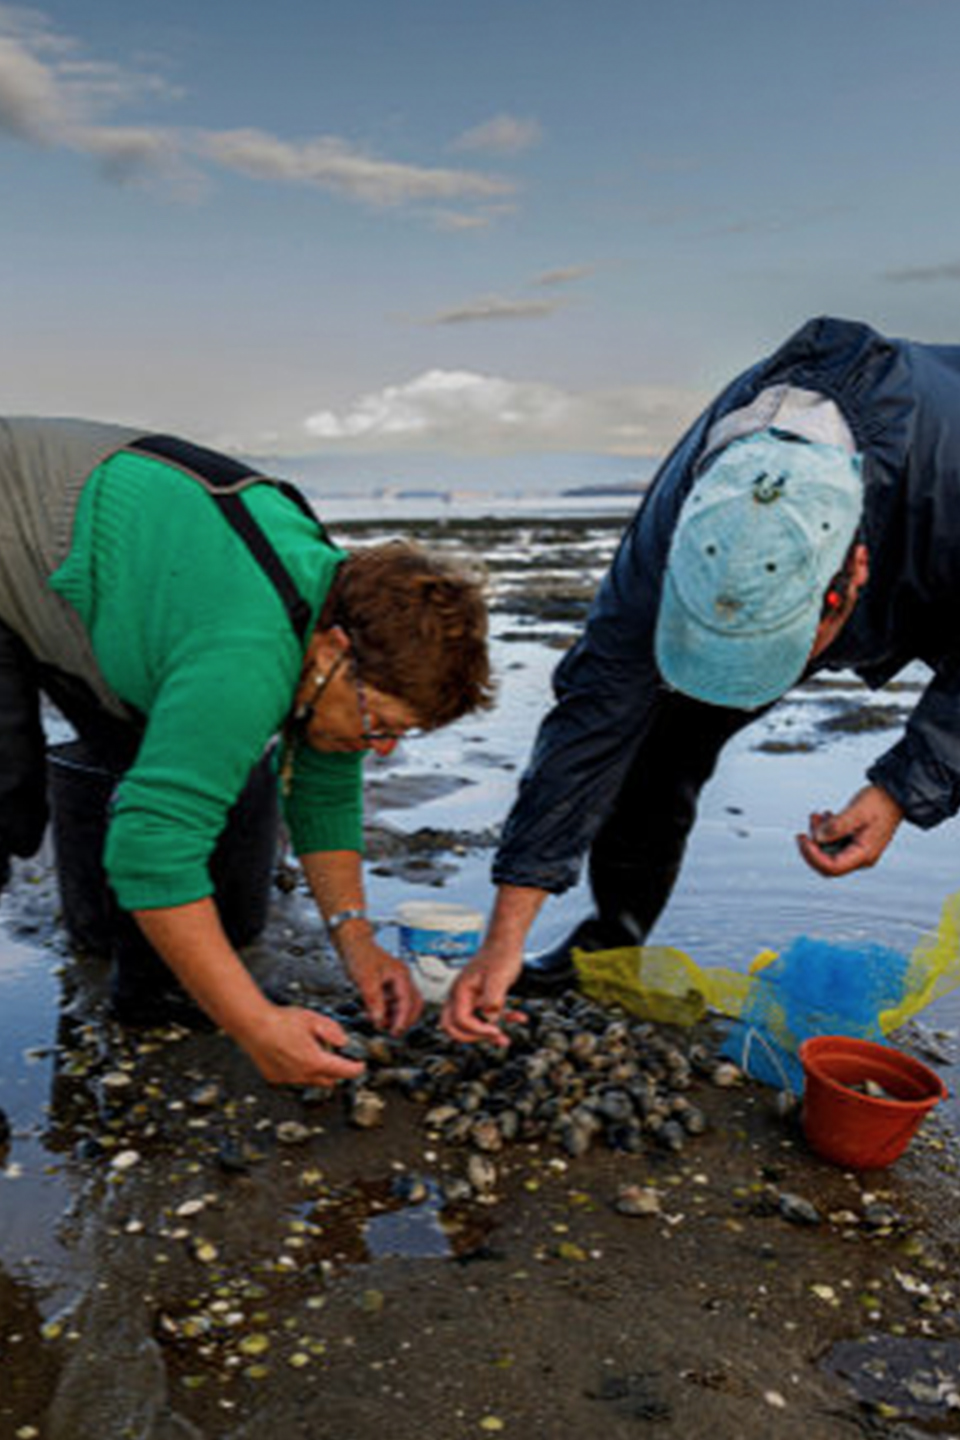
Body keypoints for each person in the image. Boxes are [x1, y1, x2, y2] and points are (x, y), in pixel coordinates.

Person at [443, 314, 960, 1046]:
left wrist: (901, 790)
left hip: (940, 521)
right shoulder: (678, 531)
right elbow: (592, 719)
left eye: (766, 653)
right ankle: (610, 946)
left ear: (852, 585)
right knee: (659, 743)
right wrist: (503, 937)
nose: (739, 687)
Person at [0, 418, 492, 1088]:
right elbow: (150, 846)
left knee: (191, 770)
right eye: (382, 722)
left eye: (400, 736)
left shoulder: (332, 607)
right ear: (335, 652)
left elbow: (323, 784)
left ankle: (155, 1002)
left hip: (116, 586)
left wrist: (358, 942)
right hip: (20, 528)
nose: (381, 748)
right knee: (10, 802)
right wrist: (255, 1025)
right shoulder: (249, 652)